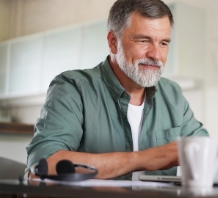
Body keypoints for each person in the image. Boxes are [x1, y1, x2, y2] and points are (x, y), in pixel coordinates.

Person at [25, 0, 208, 180]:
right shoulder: (73, 88)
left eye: (164, 43)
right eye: (144, 40)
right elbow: (43, 165)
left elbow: (207, 151)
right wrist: (146, 158)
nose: (156, 54)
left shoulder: (173, 94)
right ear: (113, 42)